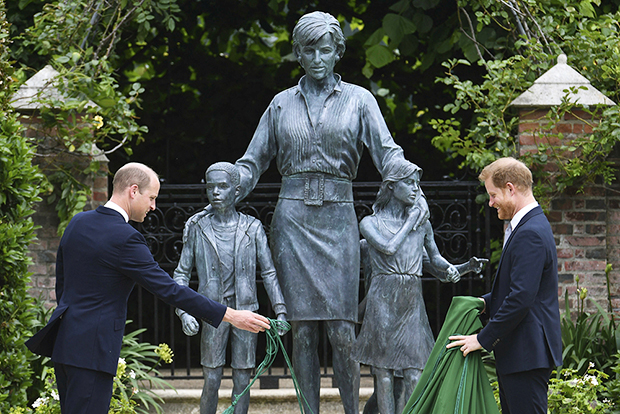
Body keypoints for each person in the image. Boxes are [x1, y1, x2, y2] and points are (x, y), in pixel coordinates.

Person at [229, 11, 426, 414]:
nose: (317, 57)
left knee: (342, 331)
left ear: (338, 51)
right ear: (298, 55)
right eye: (308, 50)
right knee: (301, 330)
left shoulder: (360, 100)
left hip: (338, 220)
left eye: (325, 49)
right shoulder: (281, 104)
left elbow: (387, 153)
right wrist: (228, 185)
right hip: (293, 221)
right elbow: (253, 161)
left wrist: (412, 184)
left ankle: (351, 411)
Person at [25, 162, 271, 414]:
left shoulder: (78, 222)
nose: (153, 206)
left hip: (65, 346)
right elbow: (169, 289)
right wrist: (231, 315)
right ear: (133, 191)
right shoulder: (126, 238)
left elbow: (63, 283)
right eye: (151, 197)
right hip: (94, 352)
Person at [352, 160, 487, 414]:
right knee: (384, 373)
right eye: (410, 183)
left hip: (410, 300)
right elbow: (389, 248)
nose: (416, 189)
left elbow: (436, 262)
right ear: (391, 187)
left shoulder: (422, 225)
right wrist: (411, 220)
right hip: (382, 298)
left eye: (418, 184)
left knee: (415, 370)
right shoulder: (370, 223)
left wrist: (464, 267)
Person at [447, 157, 562, 414]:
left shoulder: (530, 232)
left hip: (526, 356)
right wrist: (483, 303)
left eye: (493, 194)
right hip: (522, 355)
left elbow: (521, 297)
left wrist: (482, 339)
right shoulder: (528, 226)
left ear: (510, 188)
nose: (490, 203)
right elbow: (517, 289)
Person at [173, 162, 287, 414]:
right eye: (210, 186)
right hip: (212, 312)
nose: (215, 192)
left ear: (236, 191)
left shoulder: (253, 227)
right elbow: (181, 274)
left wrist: (280, 311)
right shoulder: (197, 228)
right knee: (211, 379)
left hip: (246, 311)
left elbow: (268, 272)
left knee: (242, 380)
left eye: (222, 187)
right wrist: (184, 312)